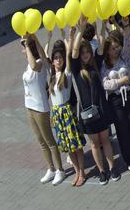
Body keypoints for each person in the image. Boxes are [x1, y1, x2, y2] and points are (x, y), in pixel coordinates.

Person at [70, 29, 119, 184]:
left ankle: (112, 168)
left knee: (105, 140)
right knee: (94, 144)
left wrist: (103, 24)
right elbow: (74, 51)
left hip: (102, 110)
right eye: (83, 52)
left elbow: (102, 44)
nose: (85, 55)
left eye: (87, 52)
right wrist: (79, 30)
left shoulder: (96, 64)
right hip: (87, 114)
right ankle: (102, 171)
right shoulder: (76, 70)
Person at [99, 28, 130, 172]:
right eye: (112, 48)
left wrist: (126, 27)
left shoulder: (124, 58)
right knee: (122, 130)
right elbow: (106, 85)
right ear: (107, 51)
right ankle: (129, 159)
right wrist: (122, 81)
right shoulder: (104, 66)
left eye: (116, 47)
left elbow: (128, 42)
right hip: (116, 101)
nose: (115, 50)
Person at [21, 32, 65, 185]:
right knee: (41, 141)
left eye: (24, 46)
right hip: (30, 107)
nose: (22, 48)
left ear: (29, 48)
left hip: (40, 108)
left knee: (49, 140)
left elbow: (34, 65)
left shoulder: (39, 62)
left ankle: (60, 170)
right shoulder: (28, 64)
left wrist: (30, 43)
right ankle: (50, 168)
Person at [46, 38, 86, 186]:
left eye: (60, 58)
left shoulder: (66, 74)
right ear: (52, 61)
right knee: (67, 147)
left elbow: (69, 53)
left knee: (75, 145)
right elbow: (44, 59)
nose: (58, 60)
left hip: (67, 112)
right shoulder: (51, 77)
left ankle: (82, 172)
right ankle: (76, 172)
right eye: (55, 58)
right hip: (57, 114)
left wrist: (69, 36)